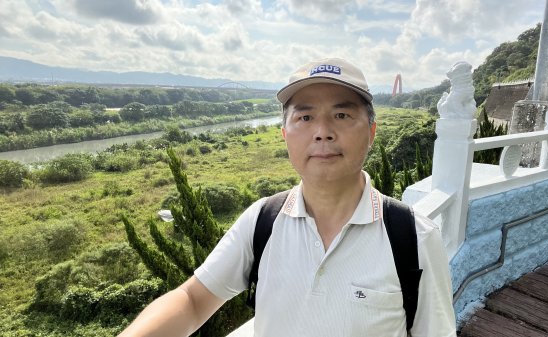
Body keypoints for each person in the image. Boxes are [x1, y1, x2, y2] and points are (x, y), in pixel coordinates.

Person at [119, 58, 456, 337]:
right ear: (284, 134)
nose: (322, 131)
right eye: (305, 117)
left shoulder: (413, 237)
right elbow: (192, 300)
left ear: (371, 131)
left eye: (342, 115)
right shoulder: (262, 221)